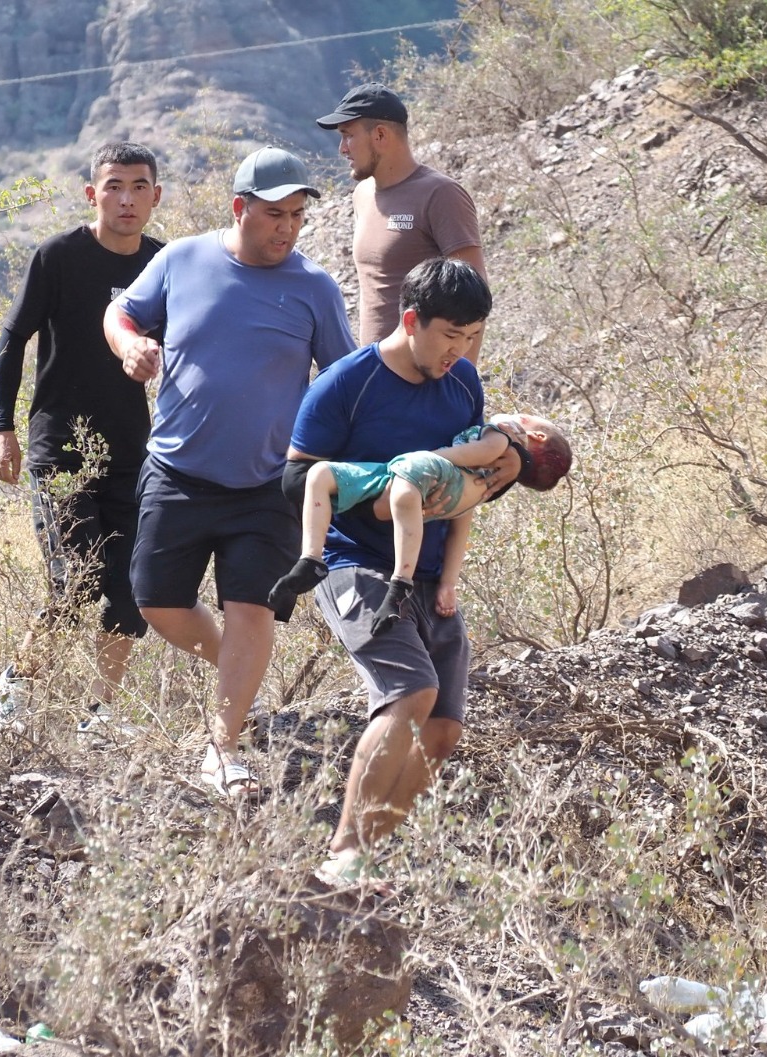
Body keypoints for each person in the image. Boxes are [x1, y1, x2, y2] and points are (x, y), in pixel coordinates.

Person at [103, 146, 354, 797]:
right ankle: (238, 675)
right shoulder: (181, 259)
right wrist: (131, 344)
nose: (288, 228)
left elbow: (343, 379)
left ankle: (223, 746)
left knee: (252, 607)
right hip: (177, 471)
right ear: (240, 208)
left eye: (297, 216)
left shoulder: (315, 288)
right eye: (275, 215)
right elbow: (121, 312)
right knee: (156, 602)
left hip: (269, 484)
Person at [287, 257, 521, 884]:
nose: (459, 350)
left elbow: (462, 473)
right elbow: (294, 480)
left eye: (472, 337)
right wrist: (380, 498)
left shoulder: (463, 381)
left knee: (443, 728)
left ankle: (369, 855)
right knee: (409, 690)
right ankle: (340, 854)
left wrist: (506, 469)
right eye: (450, 335)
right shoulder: (346, 384)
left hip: (431, 571)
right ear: (412, 320)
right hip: (356, 565)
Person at [0, 141, 165, 728]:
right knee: (76, 582)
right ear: (93, 194)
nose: (126, 199)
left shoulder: (163, 264)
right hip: (61, 449)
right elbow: (13, 339)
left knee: (129, 589)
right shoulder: (59, 256)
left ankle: (101, 714)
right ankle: (15, 688)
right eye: (115, 186)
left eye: (139, 187)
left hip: (132, 453)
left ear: (156, 196)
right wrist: (2, 428)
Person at [268, 412, 571, 636]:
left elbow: (484, 451)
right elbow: (460, 526)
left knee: (404, 486)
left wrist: (431, 456)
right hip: (418, 477)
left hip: (430, 471)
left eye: (527, 416)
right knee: (320, 474)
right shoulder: (492, 480)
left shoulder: (505, 433)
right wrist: (449, 583)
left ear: (537, 436)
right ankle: (311, 559)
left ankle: (400, 582)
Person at [316, 83, 488, 359]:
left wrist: (460, 378)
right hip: (374, 370)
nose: (342, 149)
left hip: (427, 375)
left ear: (380, 134)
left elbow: (475, 300)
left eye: (348, 136)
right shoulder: (362, 195)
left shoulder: (441, 194)